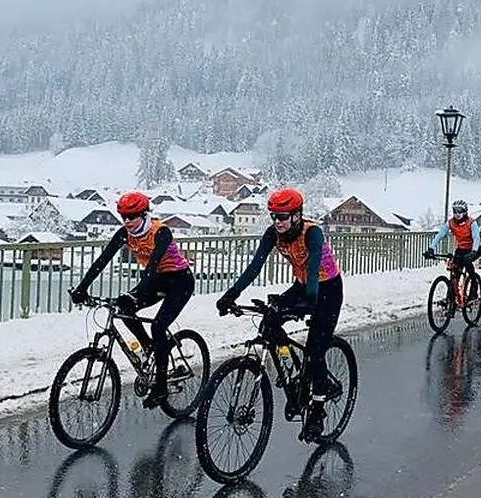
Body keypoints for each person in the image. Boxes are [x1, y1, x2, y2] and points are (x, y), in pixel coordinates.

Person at [216, 187, 342, 441]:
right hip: (302, 286)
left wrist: (310, 300)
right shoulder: (273, 234)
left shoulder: (312, 232)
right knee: (269, 320)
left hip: (326, 288)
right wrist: (231, 294)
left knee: (316, 350)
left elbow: (315, 262)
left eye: (282, 216)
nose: (277, 222)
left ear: (297, 215)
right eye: (274, 216)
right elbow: (254, 267)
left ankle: (318, 408)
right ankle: (294, 373)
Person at [69, 191, 196, 409]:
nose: (127, 221)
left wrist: (140, 288)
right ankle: (149, 348)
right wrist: (82, 288)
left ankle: (162, 387)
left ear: (144, 214)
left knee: (158, 326)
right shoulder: (124, 233)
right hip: (156, 279)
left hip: (179, 281)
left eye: (132, 216)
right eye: (123, 217)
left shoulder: (160, 232)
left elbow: (154, 264)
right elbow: (102, 261)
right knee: (124, 306)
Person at [424, 199, 481, 279]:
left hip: (473, 248)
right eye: (455, 211)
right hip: (461, 248)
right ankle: (453, 288)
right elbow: (440, 235)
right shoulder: (451, 223)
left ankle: (474, 282)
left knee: (467, 262)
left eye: (460, 211)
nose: (457, 213)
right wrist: (431, 248)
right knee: (455, 269)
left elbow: (476, 238)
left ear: (465, 212)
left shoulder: (471, 223)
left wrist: (474, 251)